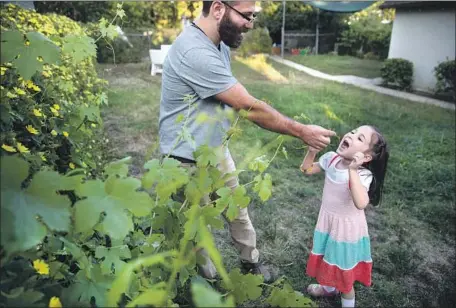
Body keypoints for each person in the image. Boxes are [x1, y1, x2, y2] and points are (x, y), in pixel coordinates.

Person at [158, 0, 335, 283]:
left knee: (237, 211)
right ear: (218, 8)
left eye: (253, 16)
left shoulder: (220, 45)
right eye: (247, 16)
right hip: (185, 160)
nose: (251, 23)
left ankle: (250, 264)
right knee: (196, 229)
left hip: (214, 150)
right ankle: (206, 281)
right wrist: (301, 131)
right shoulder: (194, 50)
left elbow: (228, 93)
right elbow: (248, 106)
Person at [299, 125, 389, 307]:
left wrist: (353, 171)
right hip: (328, 223)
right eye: (353, 132)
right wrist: (311, 152)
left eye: (360, 138)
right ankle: (329, 289)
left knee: (344, 279)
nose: (351, 135)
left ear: (366, 157)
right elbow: (306, 169)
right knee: (328, 257)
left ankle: (345, 299)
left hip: (345, 231)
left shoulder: (363, 174)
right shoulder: (331, 159)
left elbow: (361, 202)